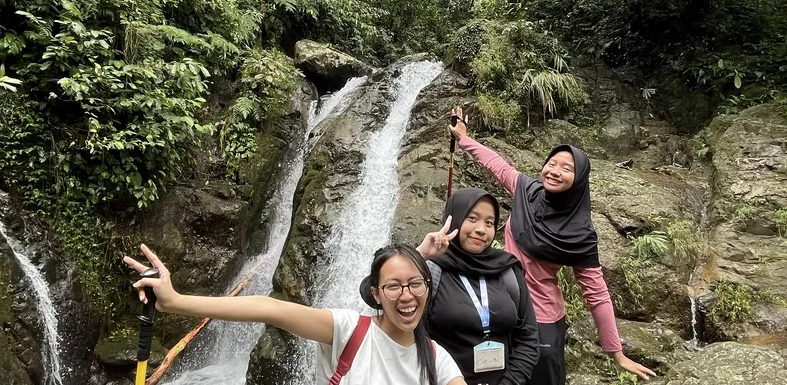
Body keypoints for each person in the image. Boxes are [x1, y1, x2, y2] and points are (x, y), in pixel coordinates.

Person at [448, 107, 656, 384]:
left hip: (540, 319)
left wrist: (615, 351)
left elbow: (597, 293)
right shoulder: (527, 191)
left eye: (567, 168)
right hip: (501, 308)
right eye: (552, 163)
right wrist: (464, 139)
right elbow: (497, 165)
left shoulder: (580, 232)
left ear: (579, 179)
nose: (555, 171)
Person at [125, 244, 466, 385]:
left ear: (427, 287)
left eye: (414, 284)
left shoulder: (439, 361)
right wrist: (175, 302)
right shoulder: (349, 330)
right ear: (376, 294)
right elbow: (269, 308)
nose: (406, 296)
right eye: (394, 287)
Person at [412, 187, 540, 385]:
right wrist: (420, 255)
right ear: (454, 219)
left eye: (489, 222)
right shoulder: (432, 269)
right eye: (472, 218)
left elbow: (528, 337)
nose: (481, 229)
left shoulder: (507, 270)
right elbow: (374, 296)